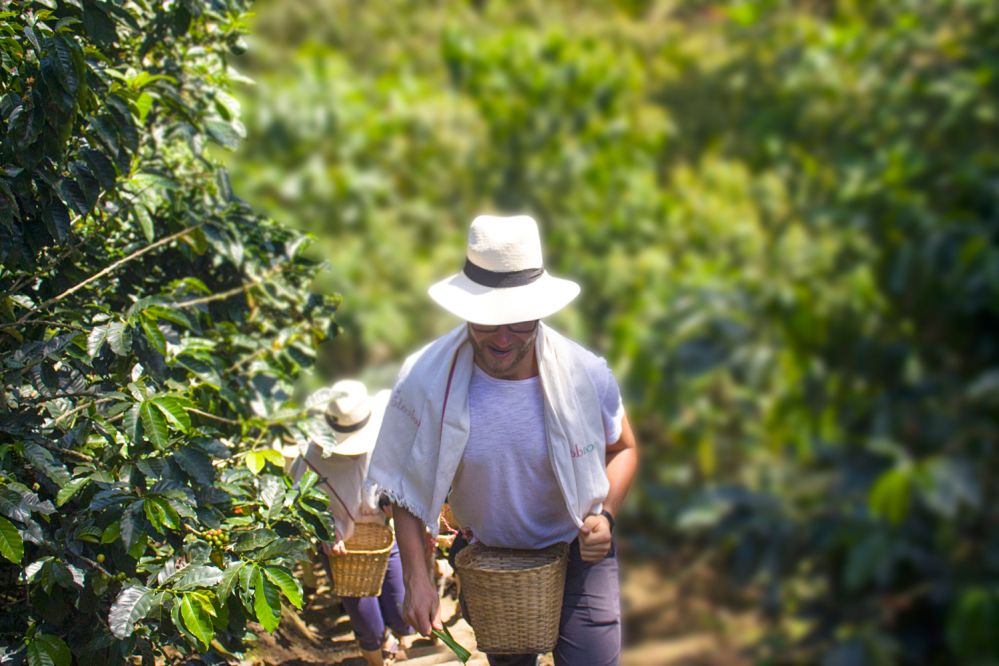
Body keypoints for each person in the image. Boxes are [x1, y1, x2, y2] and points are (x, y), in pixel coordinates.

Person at [365, 214, 639, 665]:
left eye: (518, 322)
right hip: (492, 563)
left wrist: (606, 517)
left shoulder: (585, 375)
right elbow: (404, 486)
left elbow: (623, 448)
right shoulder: (425, 380)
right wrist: (417, 577)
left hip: (579, 549)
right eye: (488, 321)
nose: (503, 338)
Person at [290, 379, 413, 666]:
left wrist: (390, 503)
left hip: (382, 541)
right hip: (342, 552)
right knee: (367, 623)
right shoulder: (312, 458)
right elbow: (299, 505)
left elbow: (392, 482)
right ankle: (376, 656)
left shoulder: (382, 441)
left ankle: (397, 642)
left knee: (400, 606)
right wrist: (324, 532)